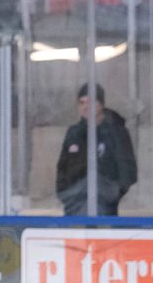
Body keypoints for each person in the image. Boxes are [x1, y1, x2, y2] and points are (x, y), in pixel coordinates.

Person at [55, 83, 137, 216]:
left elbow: (127, 169)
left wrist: (112, 194)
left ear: (101, 104)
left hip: (105, 207)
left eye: (90, 102)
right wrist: (64, 193)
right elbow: (62, 168)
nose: (85, 107)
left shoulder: (116, 132)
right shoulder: (73, 133)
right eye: (82, 102)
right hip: (74, 206)